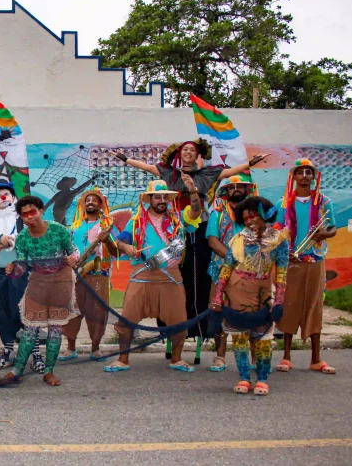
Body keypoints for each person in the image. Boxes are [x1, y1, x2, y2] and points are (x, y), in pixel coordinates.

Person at [114, 141, 269, 354]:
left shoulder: (206, 174)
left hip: (195, 224)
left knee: (198, 277)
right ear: (180, 154)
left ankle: (199, 328)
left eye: (192, 150)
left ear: (197, 155)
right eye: (185, 149)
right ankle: (168, 330)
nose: (188, 152)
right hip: (173, 227)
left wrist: (249, 163)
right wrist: (125, 159)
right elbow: (147, 167)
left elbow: (229, 173)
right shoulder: (169, 174)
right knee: (179, 275)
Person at [106, 179, 202, 373]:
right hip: (141, 275)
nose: (161, 200)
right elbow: (120, 244)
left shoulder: (177, 218)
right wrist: (128, 247)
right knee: (127, 319)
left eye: (164, 197)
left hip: (171, 277)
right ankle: (123, 359)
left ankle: (176, 359)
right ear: (149, 199)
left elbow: (196, 212)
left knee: (179, 319)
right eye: (157, 196)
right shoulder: (136, 220)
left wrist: (193, 192)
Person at [0, 195, 81, 387]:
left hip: (62, 282)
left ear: (41, 211)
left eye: (33, 212)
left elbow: (74, 251)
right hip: (37, 282)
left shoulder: (59, 230)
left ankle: (49, 371)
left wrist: (73, 259)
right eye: (24, 214)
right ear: (21, 217)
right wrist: (13, 269)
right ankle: (16, 370)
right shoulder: (23, 238)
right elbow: (22, 267)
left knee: (55, 329)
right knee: (30, 329)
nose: (29, 217)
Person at [210, 196, 289, 396]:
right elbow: (226, 269)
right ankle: (244, 377)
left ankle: (262, 379)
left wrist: (278, 300)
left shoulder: (279, 241)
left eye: (253, 216)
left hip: (262, 293)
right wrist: (219, 297)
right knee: (240, 339)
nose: (249, 221)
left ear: (265, 215)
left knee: (263, 339)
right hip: (236, 293)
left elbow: (281, 273)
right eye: (245, 218)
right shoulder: (238, 240)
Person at [274, 158, 338, 375]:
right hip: (292, 261)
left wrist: (324, 233)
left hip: (315, 260)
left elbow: (333, 229)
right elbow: (277, 230)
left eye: (308, 173)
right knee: (289, 305)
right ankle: (286, 356)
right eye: (300, 172)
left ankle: (316, 359)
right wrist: (284, 249)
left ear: (313, 177)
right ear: (294, 177)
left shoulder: (323, 202)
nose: (304, 176)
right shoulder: (284, 203)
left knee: (314, 306)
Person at [0, 182, 44, 373]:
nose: (3, 198)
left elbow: (35, 240)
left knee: (25, 314)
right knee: (0, 314)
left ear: (13, 198)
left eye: (6, 194)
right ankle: (8, 351)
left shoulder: (24, 220)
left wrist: (15, 246)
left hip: (23, 273)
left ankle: (36, 355)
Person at [205, 174, 257, 372]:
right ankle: (220, 356)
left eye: (240, 186)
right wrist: (233, 259)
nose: (236, 189)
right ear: (226, 191)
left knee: (251, 314)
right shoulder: (217, 214)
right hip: (221, 271)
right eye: (231, 186)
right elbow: (213, 241)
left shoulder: (254, 214)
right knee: (218, 313)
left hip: (249, 273)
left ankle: (254, 357)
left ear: (246, 190)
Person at [60, 188, 117, 363]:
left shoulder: (106, 225)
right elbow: (64, 250)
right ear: (83, 205)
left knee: (98, 313)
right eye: (88, 200)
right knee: (72, 311)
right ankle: (70, 348)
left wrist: (106, 238)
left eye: (95, 200)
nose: (91, 202)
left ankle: (95, 348)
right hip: (75, 274)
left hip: (98, 275)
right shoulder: (74, 227)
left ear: (100, 205)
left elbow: (115, 252)